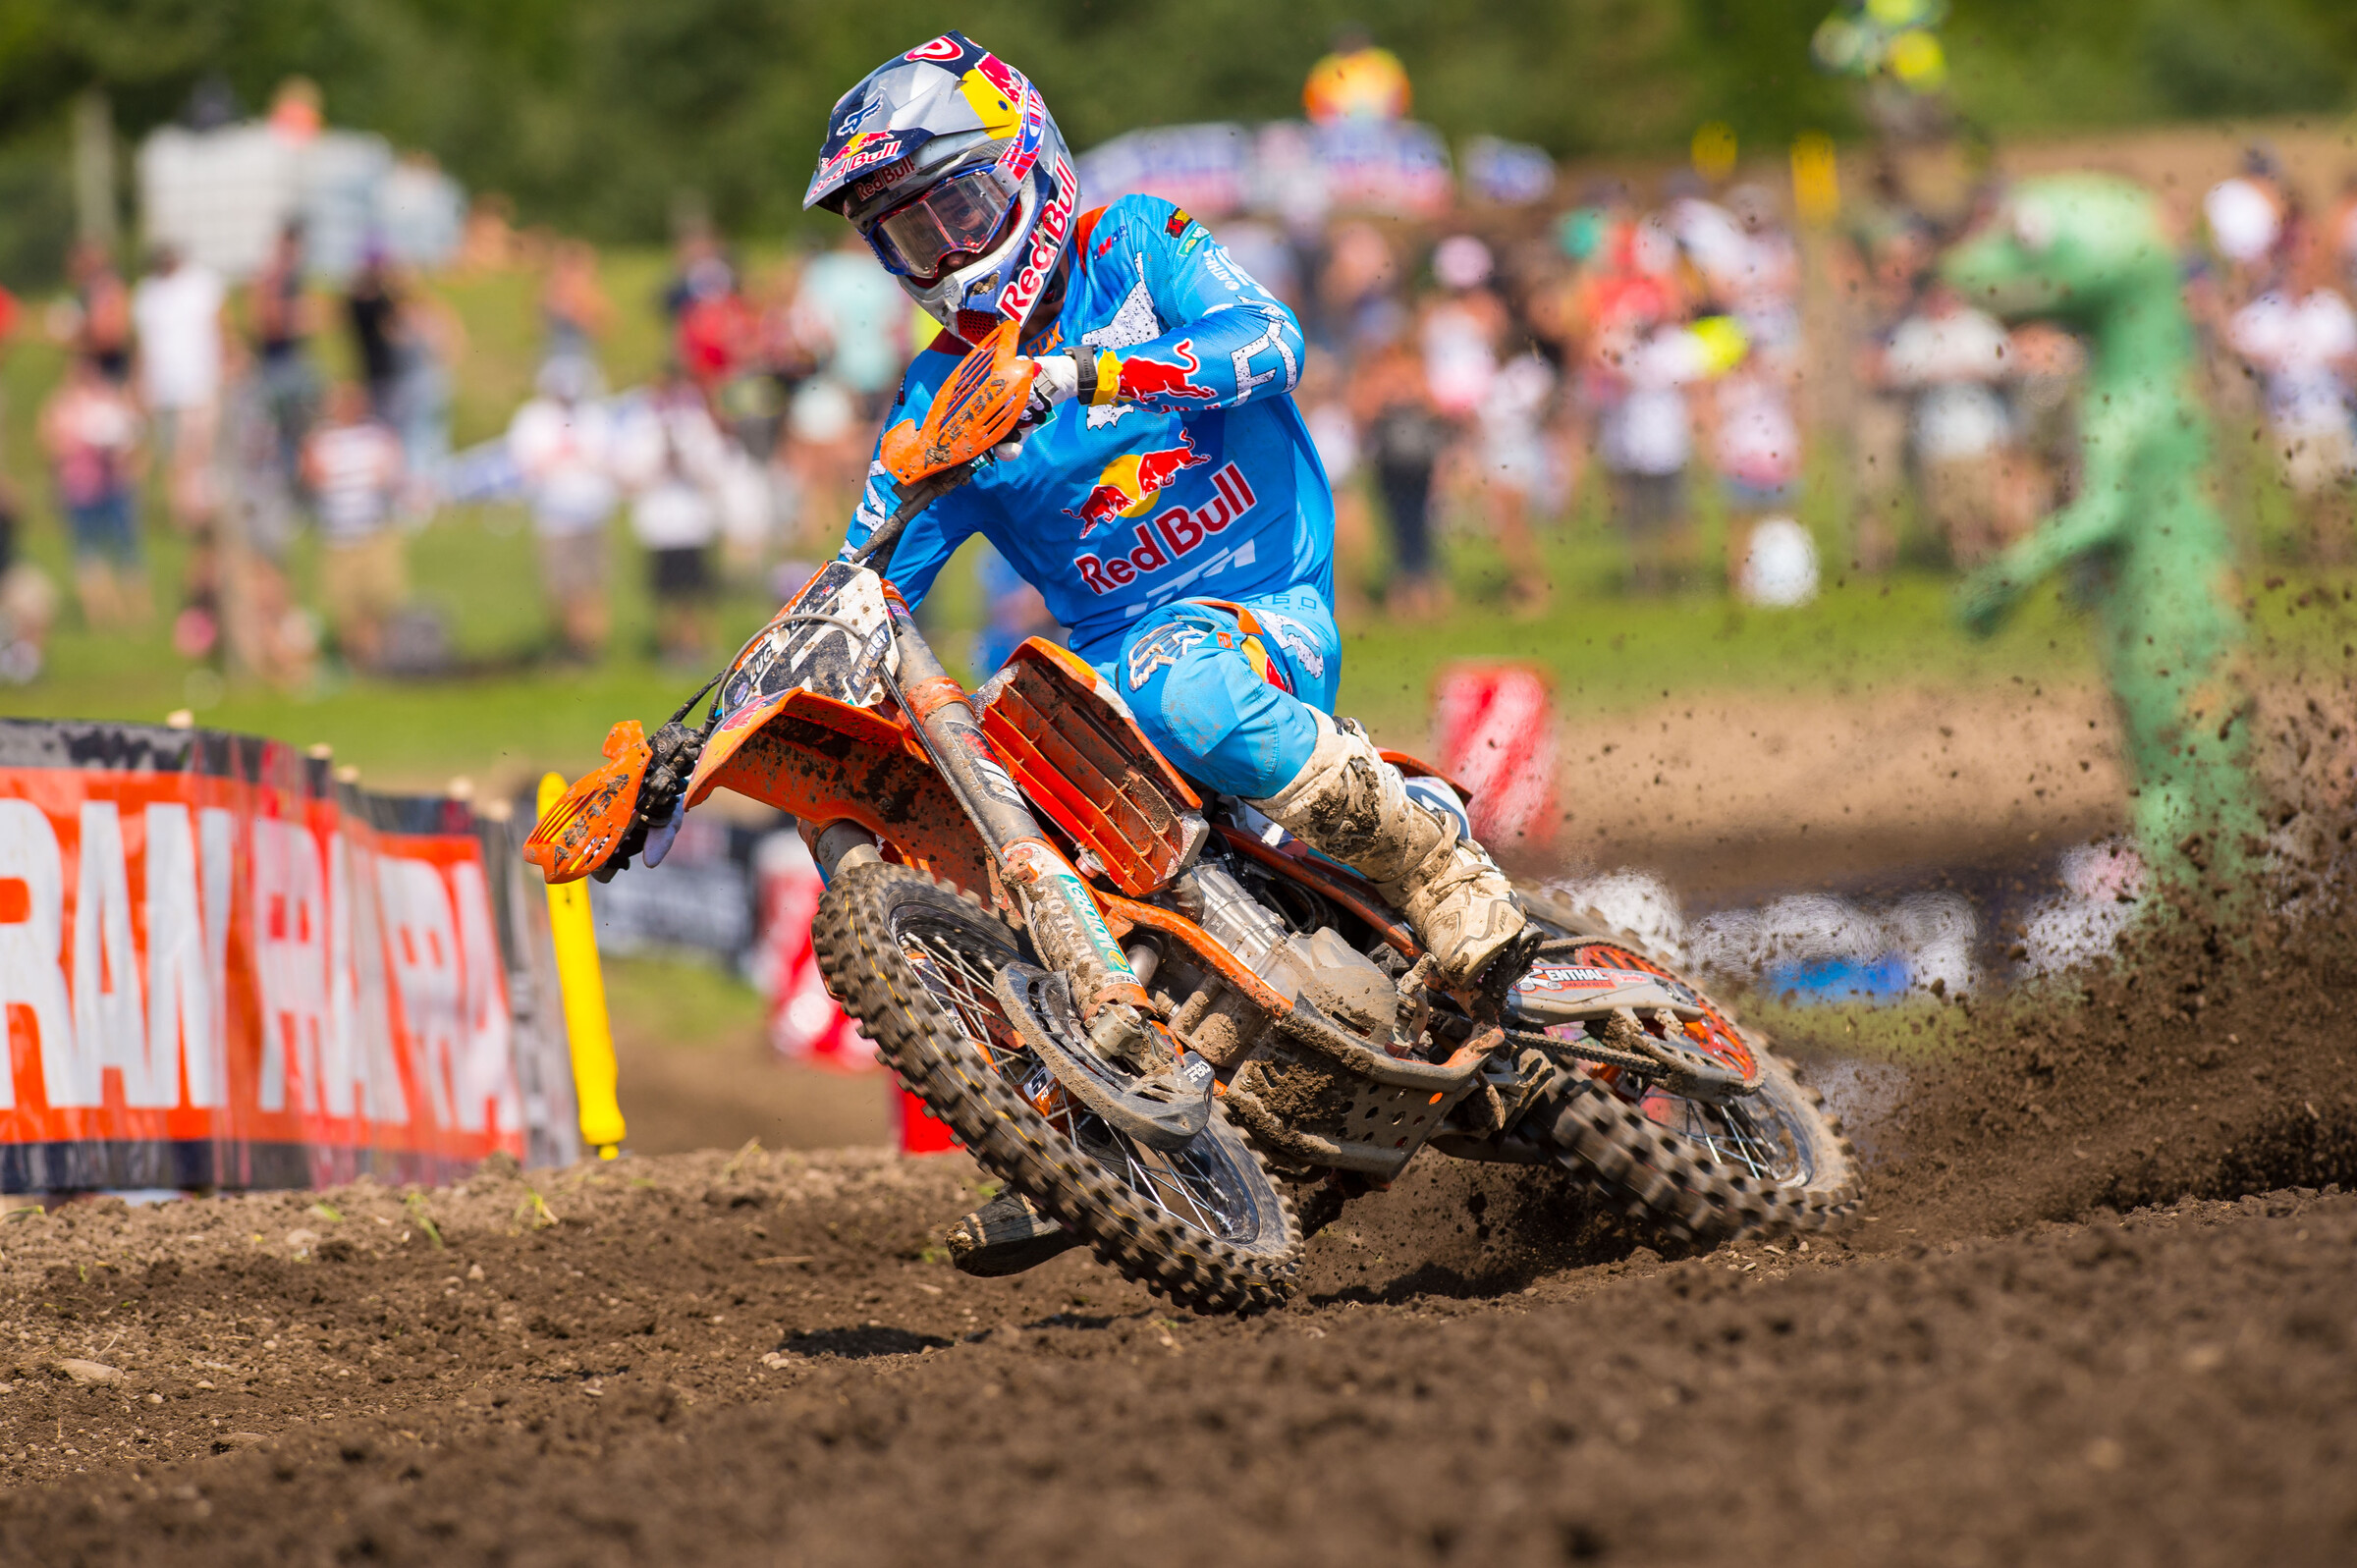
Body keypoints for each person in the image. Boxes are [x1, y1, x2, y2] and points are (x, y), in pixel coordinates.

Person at [809, 32, 1526, 992]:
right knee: (958, 797)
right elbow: (863, 585)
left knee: (1180, 686)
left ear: (1026, 162)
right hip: (1095, 681)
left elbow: (1273, 342)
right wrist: (685, 759)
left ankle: (1435, 865)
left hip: (1260, 606)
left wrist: (1080, 375)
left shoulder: (1135, 245)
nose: (943, 254)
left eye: (960, 210)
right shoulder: (939, 395)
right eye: (907, 234)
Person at [132, 243, 228, 652]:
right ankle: (190, 519)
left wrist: (225, 366)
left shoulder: (201, 285)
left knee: (199, 460)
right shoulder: (147, 295)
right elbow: (144, 345)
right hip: (168, 392)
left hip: (199, 386)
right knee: (179, 465)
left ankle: (202, 516)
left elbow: (220, 329)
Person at [1880, 280, 2016, 567]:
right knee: (1948, 510)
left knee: (1983, 503)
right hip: (1935, 436)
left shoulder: (1980, 328)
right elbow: (1894, 372)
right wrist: (1928, 375)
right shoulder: (1914, 332)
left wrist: (1973, 372)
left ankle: (1987, 558)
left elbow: (2006, 366)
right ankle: (1963, 558)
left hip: (1979, 432)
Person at [613, 364, 727, 667]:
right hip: (658, 524)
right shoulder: (640, 424)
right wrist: (658, 462)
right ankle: (671, 649)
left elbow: (714, 467)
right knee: (665, 594)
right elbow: (627, 475)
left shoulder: (694, 421)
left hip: (692, 522)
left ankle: (701, 645)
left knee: (698, 592)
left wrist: (687, 461)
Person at [508, 355, 619, 661]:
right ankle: (572, 646)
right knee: (563, 588)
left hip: (592, 514)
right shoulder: (532, 418)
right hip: (555, 519)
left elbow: (608, 459)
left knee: (593, 584)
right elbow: (525, 464)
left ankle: (593, 649)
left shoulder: (595, 416)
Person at [300, 382, 407, 671]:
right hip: (338, 535)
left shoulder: (376, 436)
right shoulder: (321, 439)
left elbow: (392, 472)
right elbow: (310, 474)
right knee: (346, 606)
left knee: (381, 600)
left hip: (373, 530)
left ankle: (383, 659)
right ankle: (357, 662)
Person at [38, 354, 148, 626]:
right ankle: (102, 615)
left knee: (127, 549)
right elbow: (49, 444)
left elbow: (133, 436)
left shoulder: (110, 400)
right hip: (80, 488)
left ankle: (137, 613)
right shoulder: (62, 405)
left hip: (114, 486)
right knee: (88, 553)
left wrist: (119, 447)